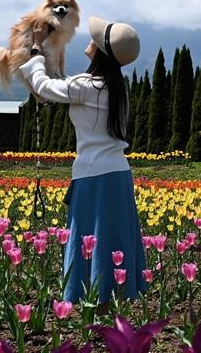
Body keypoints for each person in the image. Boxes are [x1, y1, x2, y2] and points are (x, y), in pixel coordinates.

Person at [19, 16, 147, 306]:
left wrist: (37, 51)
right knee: (112, 239)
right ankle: (111, 304)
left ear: (101, 52)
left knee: (91, 239)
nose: (88, 41)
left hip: (93, 177)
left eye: (94, 40)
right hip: (119, 175)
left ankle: (95, 305)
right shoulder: (117, 88)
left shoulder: (87, 86)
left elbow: (42, 86)